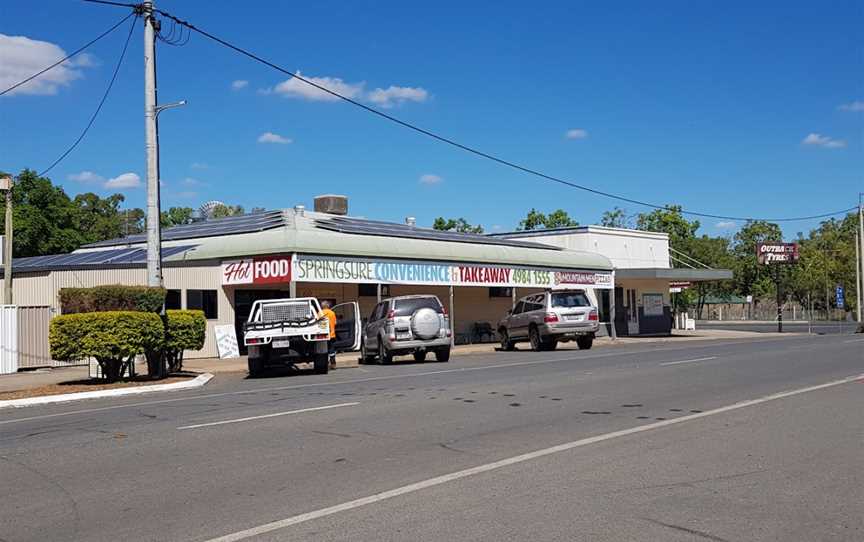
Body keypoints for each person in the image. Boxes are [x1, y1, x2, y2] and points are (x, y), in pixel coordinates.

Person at [319, 301, 337, 369]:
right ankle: (333, 364)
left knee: (323, 350)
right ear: (328, 306)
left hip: (322, 335)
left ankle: (325, 364)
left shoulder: (320, 313)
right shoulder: (332, 313)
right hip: (331, 334)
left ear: (322, 306)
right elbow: (335, 323)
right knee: (331, 349)